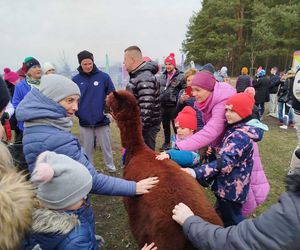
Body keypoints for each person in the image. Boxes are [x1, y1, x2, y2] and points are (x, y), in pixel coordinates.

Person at [16, 74, 158, 200]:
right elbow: (90, 179)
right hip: (69, 204)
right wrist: (133, 187)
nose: (76, 107)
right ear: (51, 99)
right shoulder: (53, 138)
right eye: (69, 100)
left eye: (77, 101)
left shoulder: (40, 127)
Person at [182, 91, 264, 226]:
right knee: (222, 215)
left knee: (232, 221)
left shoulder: (240, 136)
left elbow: (226, 162)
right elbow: (229, 155)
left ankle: (240, 241)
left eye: (232, 111)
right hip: (227, 187)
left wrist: (195, 172)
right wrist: (214, 153)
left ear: (243, 112)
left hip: (231, 190)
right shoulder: (236, 129)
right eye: (226, 110)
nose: (227, 114)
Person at [172, 167, 300, 249]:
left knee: (233, 217)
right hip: (227, 189)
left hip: (232, 192)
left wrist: (189, 221)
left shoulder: (293, 214)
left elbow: (234, 243)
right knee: (226, 214)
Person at [23, 151, 101, 249]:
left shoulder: (30, 221)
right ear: (62, 201)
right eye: (81, 196)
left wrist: (91, 240)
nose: (85, 198)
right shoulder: (76, 240)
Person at [72, 50, 116, 172]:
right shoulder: (75, 80)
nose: (88, 66)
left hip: (101, 120)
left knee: (106, 147)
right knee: (87, 148)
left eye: (90, 63)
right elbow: (72, 98)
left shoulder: (104, 77)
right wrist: (78, 113)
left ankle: (111, 167)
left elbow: (112, 95)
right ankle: (89, 169)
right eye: (85, 64)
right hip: (84, 121)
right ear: (80, 64)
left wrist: (107, 112)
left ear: (93, 62)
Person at [176, 71, 236, 152]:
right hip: (222, 148)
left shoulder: (222, 104)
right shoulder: (208, 99)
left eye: (197, 90)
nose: (193, 94)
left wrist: (180, 146)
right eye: (193, 90)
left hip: (234, 153)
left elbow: (212, 130)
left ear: (209, 88)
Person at [124, 46, 161, 150]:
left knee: (146, 156)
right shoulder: (138, 76)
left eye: (125, 59)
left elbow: (146, 108)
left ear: (132, 60)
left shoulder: (144, 77)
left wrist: (136, 129)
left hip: (146, 128)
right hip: (142, 126)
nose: (124, 63)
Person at [159, 53, 185, 151]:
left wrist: (182, 101)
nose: (167, 66)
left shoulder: (181, 76)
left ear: (174, 65)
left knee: (176, 126)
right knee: (165, 126)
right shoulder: (162, 76)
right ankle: (166, 143)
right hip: (163, 106)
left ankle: (179, 143)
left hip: (174, 106)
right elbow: (159, 89)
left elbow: (185, 89)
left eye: (170, 64)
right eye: (166, 64)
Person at [12, 56, 42, 141]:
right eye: (34, 67)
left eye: (39, 66)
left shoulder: (46, 84)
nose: (38, 69)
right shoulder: (20, 86)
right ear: (28, 72)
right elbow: (16, 106)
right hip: (26, 127)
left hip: (44, 126)